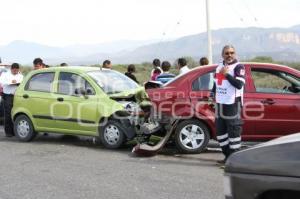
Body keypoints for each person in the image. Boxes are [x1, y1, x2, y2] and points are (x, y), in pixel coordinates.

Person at [211, 45, 245, 164]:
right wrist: (212, 94)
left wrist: (227, 74)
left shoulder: (238, 67)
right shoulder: (219, 66)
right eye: (227, 53)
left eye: (232, 53)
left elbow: (239, 85)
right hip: (220, 103)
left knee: (233, 132)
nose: (229, 55)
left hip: (232, 104)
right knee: (220, 132)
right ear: (222, 55)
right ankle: (227, 157)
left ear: (235, 54)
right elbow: (217, 83)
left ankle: (234, 160)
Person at [0, 63, 23, 137]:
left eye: (17, 69)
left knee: (16, 113)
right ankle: (8, 132)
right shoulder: (5, 74)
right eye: (14, 70)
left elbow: (22, 83)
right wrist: (11, 82)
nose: (15, 71)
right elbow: (2, 83)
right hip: (8, 96)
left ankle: (15, 131)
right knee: (8, 113)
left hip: (17, 96)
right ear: (11, 69)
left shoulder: (20, 76)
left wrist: (16, 83)